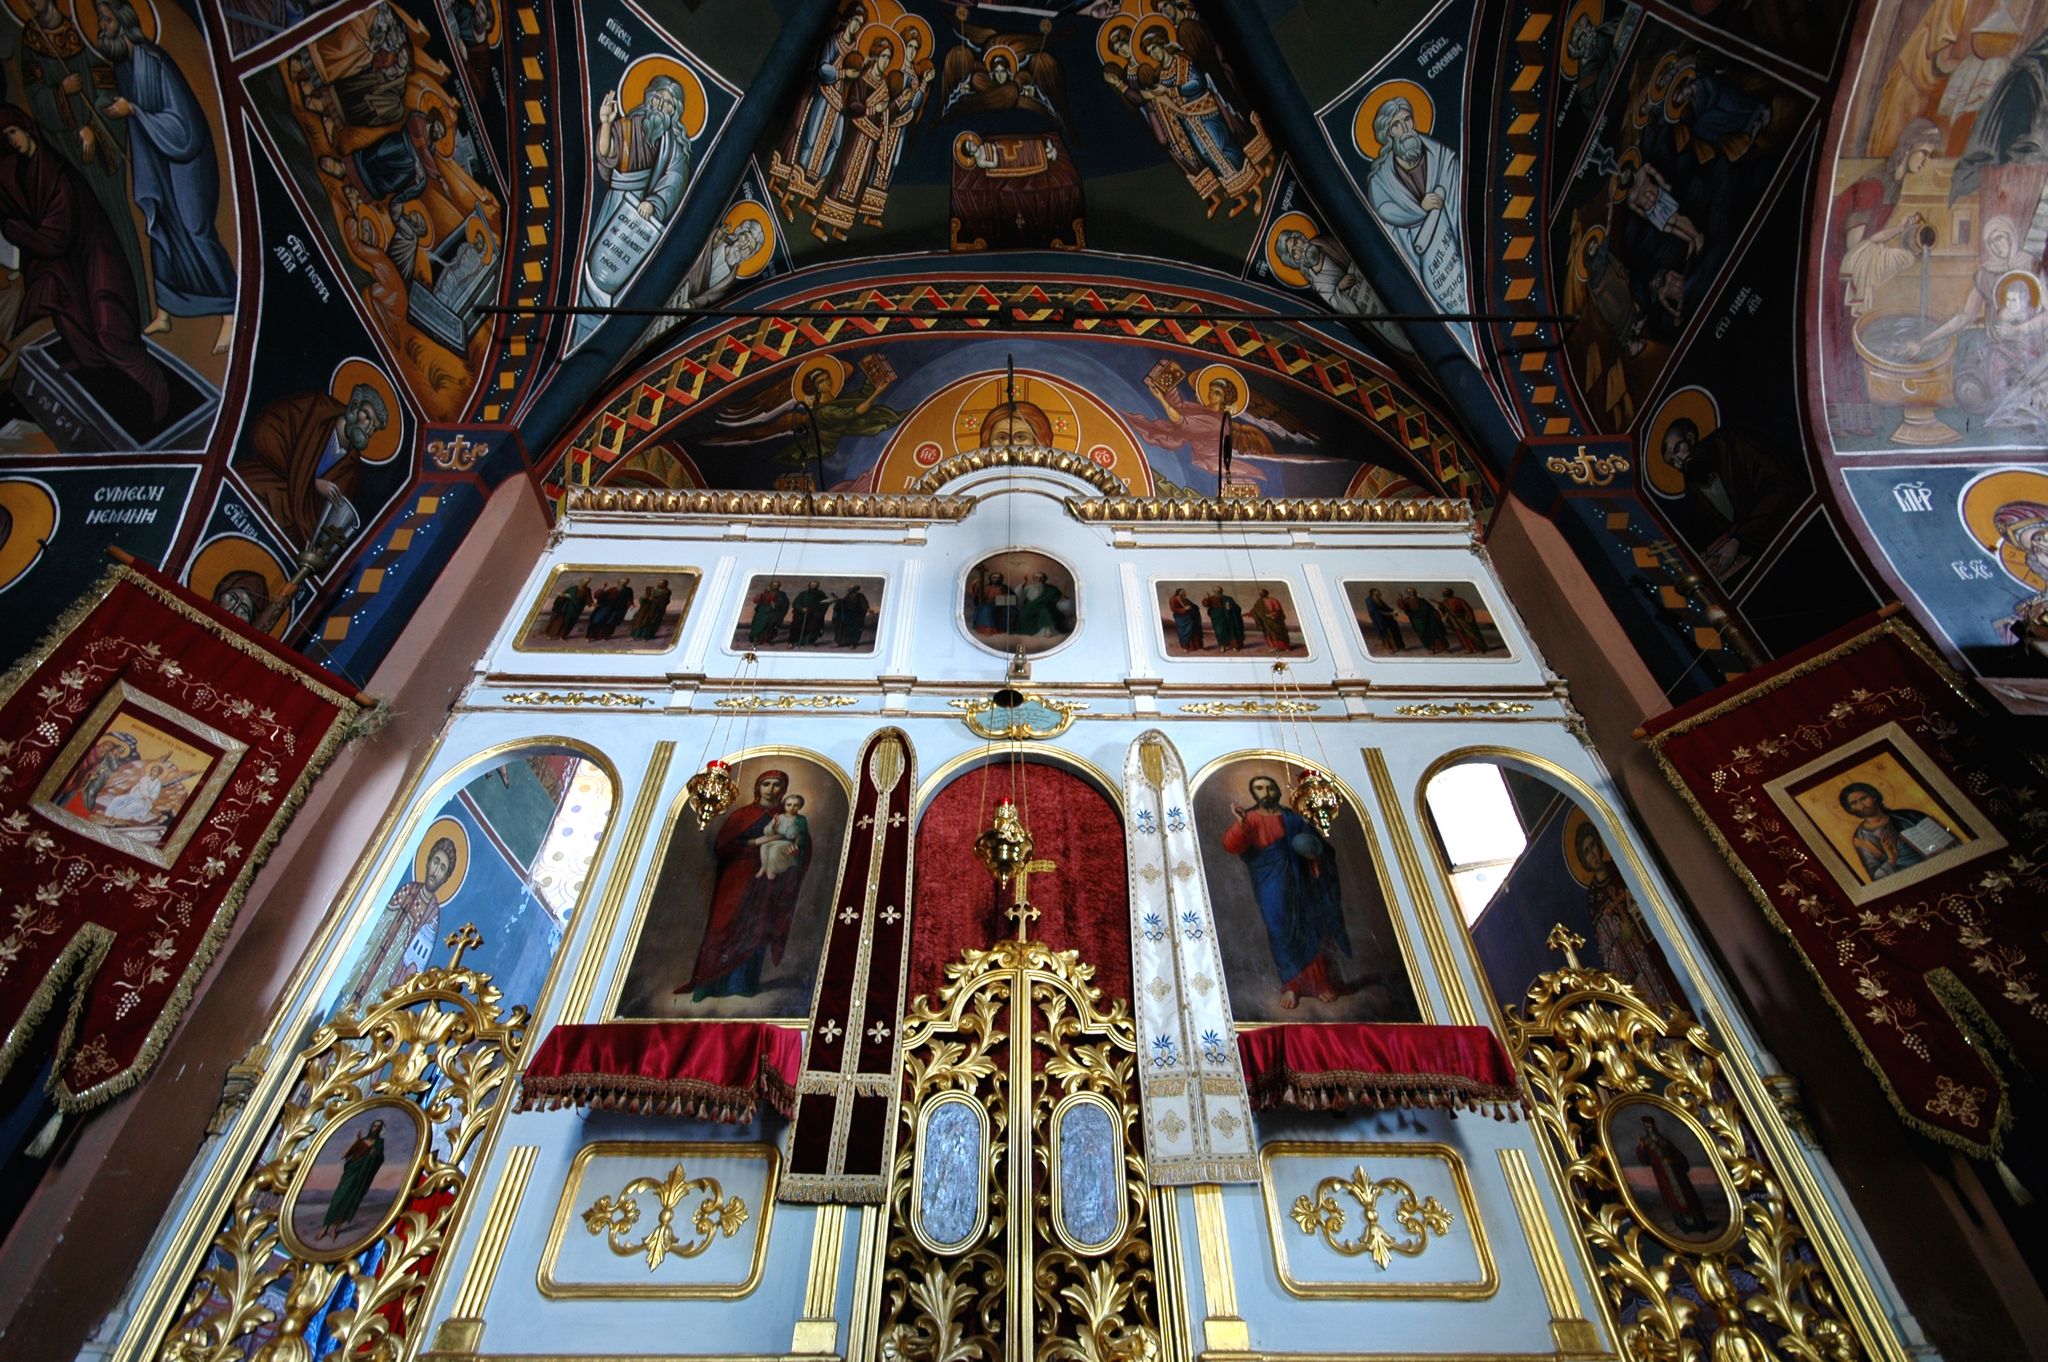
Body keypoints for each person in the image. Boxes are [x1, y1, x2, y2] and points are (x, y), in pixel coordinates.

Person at [0, 106, 170, 425]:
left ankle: (157, 391)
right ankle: (94, 369)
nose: (11, 141)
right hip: (69, 268)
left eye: (13, 133)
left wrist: (17, 231)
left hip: (94, 261)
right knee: (71, 321)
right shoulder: (24, 169)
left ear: (27, 129)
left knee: (110, 329)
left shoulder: (56, 174)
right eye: (5, 137)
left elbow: (56, 238)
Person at [93, 0, 238, 354]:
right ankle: (166, 310)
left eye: (107, 19)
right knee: (160, 227)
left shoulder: (155, 62)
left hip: (187, 163)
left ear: (124, 21)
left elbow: (184, 127)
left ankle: (232, 313)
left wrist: (136, 111)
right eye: (100, 20)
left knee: (195, 230)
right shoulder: (124, 66)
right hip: (159, 162)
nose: (102, 26)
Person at [574, 75, 691, 343]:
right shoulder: (630, 125)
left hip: (640, 217)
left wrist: (655, 202)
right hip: (616, 204)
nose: (661, 106)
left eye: (669, 104)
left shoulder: (674, 146)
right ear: (649, 98)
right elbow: (608, 152)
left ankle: (598, 336)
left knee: (622, 281)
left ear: (676, 111)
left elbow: (675, 179)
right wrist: (605, 123)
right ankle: (579, 329)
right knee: (597, 265)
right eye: (658, 98)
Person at [676, 770, 812, 999]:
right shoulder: (742, 815)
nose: (771, 789)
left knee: (756, 929)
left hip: (767, 882)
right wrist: (756, 842)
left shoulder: (791, 818)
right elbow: (723, 847)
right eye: (766, 784)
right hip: (737, 879)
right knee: (723, 926)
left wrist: (795, 850)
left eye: (777, 785)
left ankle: (743, 984)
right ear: (757, 788)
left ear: (784, 790)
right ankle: (707, 984)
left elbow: (802, 847)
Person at [1222, 774, 1350, 1009]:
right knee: (1279, 928)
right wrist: (1241, 823)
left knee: (1310, 925)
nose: (1266, 792)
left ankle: (1321, 983)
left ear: (1277, 792)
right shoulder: (1248, 818)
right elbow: (1232, 845)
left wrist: (1314, 856)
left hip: (1301, 880)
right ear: (1254, 793)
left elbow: (1316, 845)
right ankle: (1292, 985)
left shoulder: (1292, 817)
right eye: (1259, 788)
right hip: (1270, 882)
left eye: (1270, 787)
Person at [234, 382, 389, 552]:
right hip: (267, 485)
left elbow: (330, 518)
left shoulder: (351, 467)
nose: (368, 428)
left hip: (295, 523)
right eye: (366, 416)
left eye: (374, 427)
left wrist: (318, 542)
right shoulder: (317, 408)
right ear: (354, 406)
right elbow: (266, 430)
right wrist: (311, 483)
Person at [1658, 418, 1800, 580]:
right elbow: (1707, 532)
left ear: (1690, 438)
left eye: (1677, 449)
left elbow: (1781, 487)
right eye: (1672, 463)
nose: (1679, 462)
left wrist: (1738, 538)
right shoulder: (1694, 487)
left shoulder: (1730, 442)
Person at [1365, 95, 1464, 313]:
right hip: (1429, 266)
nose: (1405, 128)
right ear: (1388, 134)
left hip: (1458, 250)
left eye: (1407, 120)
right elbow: (1385, 212)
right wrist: (1421, 209)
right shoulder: (1380, 181)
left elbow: (1460, 199)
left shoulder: (1441, 156)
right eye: (1396, 125)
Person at [337, 835, 457, 1009]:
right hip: (369, 963)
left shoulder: (433, 916)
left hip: (388, 979)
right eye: (435, 862)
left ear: (445, 878)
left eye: (442, 868)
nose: (436, 872)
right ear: (428, 862)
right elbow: (378, 926)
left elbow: (416, 966)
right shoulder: (408, 889)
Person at [1578, 820, 1683, 1009]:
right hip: (1639, 968)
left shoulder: (1621, 869)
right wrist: (1623, 940)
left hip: (1658, 948)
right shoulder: (1595, 899)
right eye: (1586, 852)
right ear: (1584, 861)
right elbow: (1608, 957)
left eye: (1593, 845)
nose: (1593, 854)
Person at [1839, 782, 1956, 882]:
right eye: (1854, 803)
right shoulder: (1861, 838)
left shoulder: (1910, 816)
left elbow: (1951, 843)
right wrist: (1891, 859)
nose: (1861, 805)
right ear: (1850, 809)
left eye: (1864, 798)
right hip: (1910, 879)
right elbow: (1876, 876)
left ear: (1874, 797)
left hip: (1944, 866)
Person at [1634, 1113, 1709, 1233]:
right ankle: (1685, 1227)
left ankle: (1701, 1225)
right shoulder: (1646, 1143)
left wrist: (1673, 1161)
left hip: (1677, 1174)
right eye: (1647, 1126)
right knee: (1673, 1201)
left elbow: (1679, 1156)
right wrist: (1641, 1148)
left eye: (1651, 1125)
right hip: (1664, 1178)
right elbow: (1645, 1160)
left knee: (1689, 1198)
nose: (1650, 1128)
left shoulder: (1665, 1141)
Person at [319, 1119, 389, 1240]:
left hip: (362, 1176)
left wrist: (375, 1154)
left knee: (350, 1199)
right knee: (339, 1197)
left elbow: (380, 1159)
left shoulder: (379, 1144)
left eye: (378, 1126)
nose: (375, 1128)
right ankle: (325, 1227)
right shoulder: (361, 1141)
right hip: (351, 1172)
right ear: (371, 1127)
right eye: (374, 1125)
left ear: (380, 1129)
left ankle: (335, 1228)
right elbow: (346, 1155)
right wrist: (356, 1142)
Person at [753, 793, 809, 880]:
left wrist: (796, 845)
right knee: (764, 846)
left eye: (795, 805)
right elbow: (767, 832)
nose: (792, 808)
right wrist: (773, 824)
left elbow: (802, 834)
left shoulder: (801, 819)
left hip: (789, 842)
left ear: (800, 807)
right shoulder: (779, 817)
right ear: (785, 805)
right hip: (777, 839)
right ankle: (763, 867)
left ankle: (771, 870)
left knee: (775, 849)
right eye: (789, 805)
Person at [1015, 571, 1066, 637]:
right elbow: (1018, 593)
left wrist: (1062, 597)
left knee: (1045, 610)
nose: (1039, 580)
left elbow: (1057, 596)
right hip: (1030, 608)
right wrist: (1024, 583)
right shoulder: (1029, 587)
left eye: (1041, 578)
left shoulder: (1050, 589)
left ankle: (1047, 632)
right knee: (1023, 614)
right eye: (1037, 578)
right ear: (1033, 578)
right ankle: (1031, 632)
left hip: (1044, 606)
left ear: (1045, 579)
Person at [1400, 588, 1448, 654]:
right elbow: (1404, 609)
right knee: (1424, 635)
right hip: (1418, 621)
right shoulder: (1406, 601)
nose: (1413, 592)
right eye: (1411, 592)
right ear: (1408, 593)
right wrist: (1401, 600)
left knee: (1434, 633)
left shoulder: (1421, 600)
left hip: (1428, 620)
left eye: (1414, 591)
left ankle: (1441, 648)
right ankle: (1431, 649)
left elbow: (1431, 608)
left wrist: (1435, 613)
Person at [1440, 587, 1487, 653]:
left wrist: (1470, 617)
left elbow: (1467, 609)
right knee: (1462, 635)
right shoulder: (1444, 603)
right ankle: (1470, 649)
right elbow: (1443, 612)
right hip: (1454, 621)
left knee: (1471, 634)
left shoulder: (1459, 600)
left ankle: (1480, 648)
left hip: (1464, 619)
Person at [748, 579, 790, 645]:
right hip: (762, 612)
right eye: (773, 585)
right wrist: (763, 595)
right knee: (757, 626)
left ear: (779, 586)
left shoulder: (782, 594)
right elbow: (756, 601)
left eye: (776, 585)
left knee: (770, 627)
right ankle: (754, 640)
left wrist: (776, 604)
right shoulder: (765, 592)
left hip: (773, 614)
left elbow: (785, 603)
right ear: (771, 585)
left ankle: (766, 641)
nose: (774, 586)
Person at [1203, 586, 1245, 651]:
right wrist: (1207, 598)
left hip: (1228, 619)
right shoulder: (1210, 598)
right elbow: (1205, 604)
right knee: (1220, 632)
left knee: (1231, 632)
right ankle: (1223, 646)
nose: (1218, 593)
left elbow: (1237, 608)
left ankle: (1234, 646)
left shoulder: (1228, 598)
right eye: (1216, 591)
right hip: (1218, 620)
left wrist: (1230, 608)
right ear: (1214, 592)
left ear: (1221, 591)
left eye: (1219, 591)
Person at [832, 581, 871, 648]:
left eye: (851, 588)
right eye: (850, 588)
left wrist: (867, 609)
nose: (849, 589)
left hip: (855, 616)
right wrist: (838, 601)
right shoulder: (848, 596)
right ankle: (841, 643)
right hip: (847, 615)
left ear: (855, 589)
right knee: (844, 629)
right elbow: (844, 602)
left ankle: (853, 644)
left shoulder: (860, 596)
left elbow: (864, 603)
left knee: (854, 629)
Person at [1363, 587, 1404, 652]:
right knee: (1386, 633)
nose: (1379, 592)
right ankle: (1391, 648)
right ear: (1373, 593)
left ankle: (1396, 647)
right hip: (1379, 619)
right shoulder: (1369, 600)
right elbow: (1375, 611)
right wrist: (1388, 613)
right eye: (1377, 591)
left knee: (1391, 631)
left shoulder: (1379, 600)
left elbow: (1385, 608)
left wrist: (1393, 611)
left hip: (1385, 618)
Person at [790, 580, 829, 646]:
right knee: (796, 626)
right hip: (802, 614)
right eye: (811, 584)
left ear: (817, 586)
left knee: (814, 627)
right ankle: (791, 642)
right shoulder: (803, 594)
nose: (812, 585)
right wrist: (801, 609)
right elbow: (795, 603)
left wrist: (828, 602)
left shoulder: (820, 594)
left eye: (814, 584)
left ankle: (809, 641)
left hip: (814, 614)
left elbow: (824, 603)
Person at [1169, 586, 1204, 651]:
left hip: (1189, 618)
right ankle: (1185, 647)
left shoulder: (1185, 599)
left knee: (1193, 631)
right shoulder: (1173, 599)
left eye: (1184, 592)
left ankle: (1196, 647)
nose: (1185, 593)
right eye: (1183, 592)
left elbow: (1194, 606)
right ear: (1179, 593)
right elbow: (1173, 609)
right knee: (1184, 633)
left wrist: (1194, 608)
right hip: (1181, 619)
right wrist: (1184, 609)